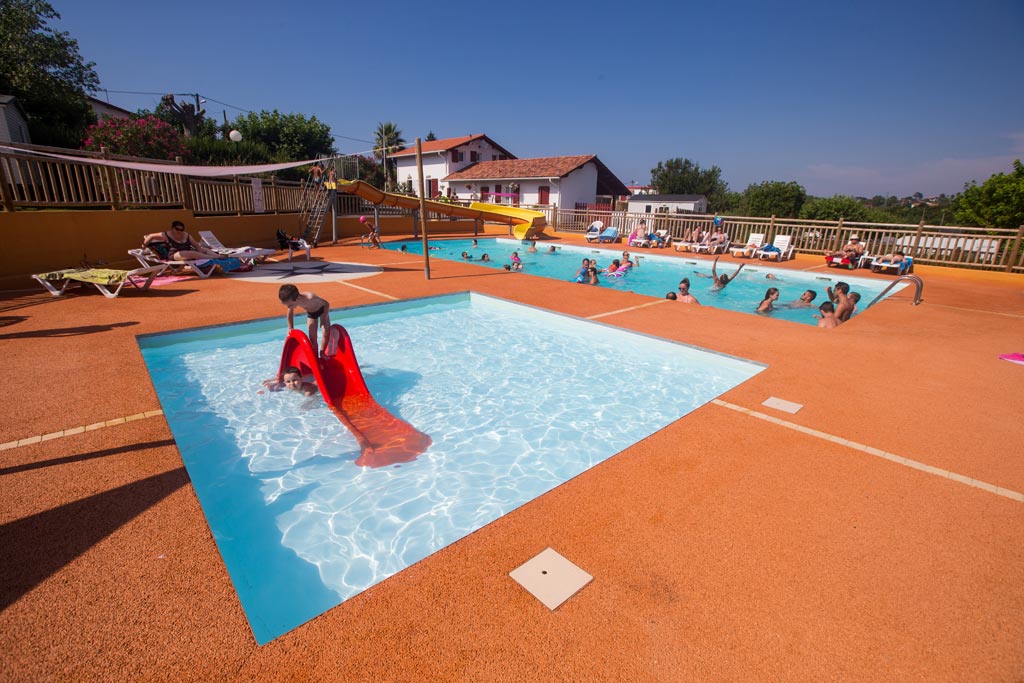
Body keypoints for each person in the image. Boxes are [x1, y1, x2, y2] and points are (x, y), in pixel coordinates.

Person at [279, 284, 331, 357]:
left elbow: (326, 304)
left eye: (290, 305)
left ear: (297, 299)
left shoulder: (311, 298)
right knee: (312, 338)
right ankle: (315, 356)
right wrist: (290, 328)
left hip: (322, 310)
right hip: (311, 313)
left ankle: (322, 352)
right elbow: (289, 315)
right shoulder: (292, 300)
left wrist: (324, 319)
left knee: (325, 331)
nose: (288, 307)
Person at [143, 221, 226, 262]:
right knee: (191, 253)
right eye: (177, 229)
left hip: (189, 251)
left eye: (181, 229)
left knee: (205, 249)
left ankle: (217, 256)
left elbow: (196, 245)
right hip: (174, 254)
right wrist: (144, 245)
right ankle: (215, 258)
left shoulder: (186, 235)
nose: (179, 231)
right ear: (172, 228)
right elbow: (151, 236)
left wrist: (201, 251)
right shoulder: (166, 235)